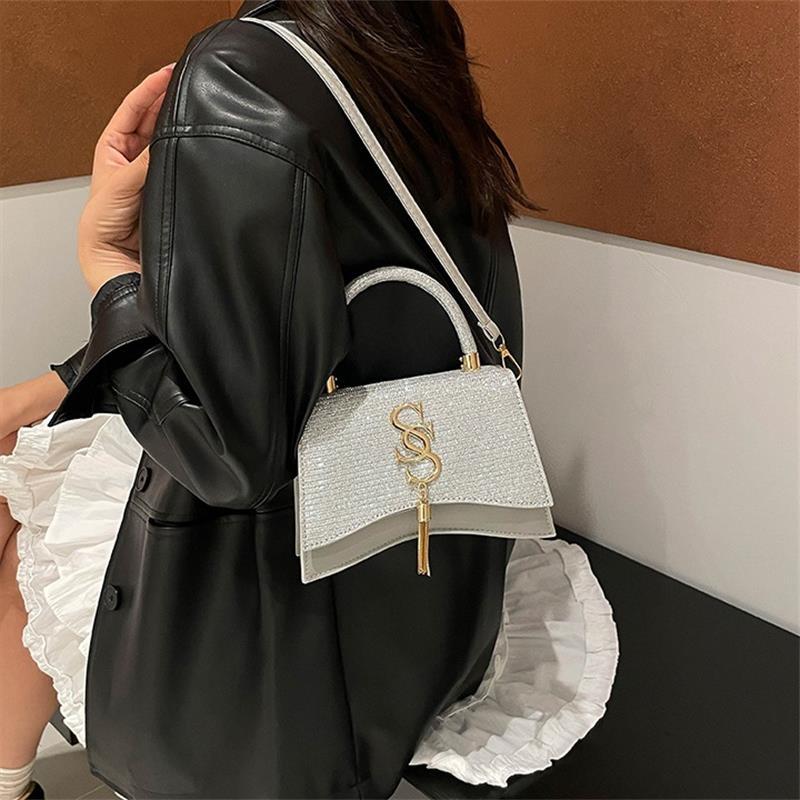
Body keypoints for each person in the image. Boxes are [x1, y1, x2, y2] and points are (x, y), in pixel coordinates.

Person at [0, 1, 619, 798]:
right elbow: (289, 314)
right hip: (420, 557)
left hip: (285, 581)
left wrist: (106, 266)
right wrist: (56, 381)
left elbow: (228, 458)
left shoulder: (238, 71)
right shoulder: (401, 36)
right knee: (27, 463)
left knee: (20, 504)